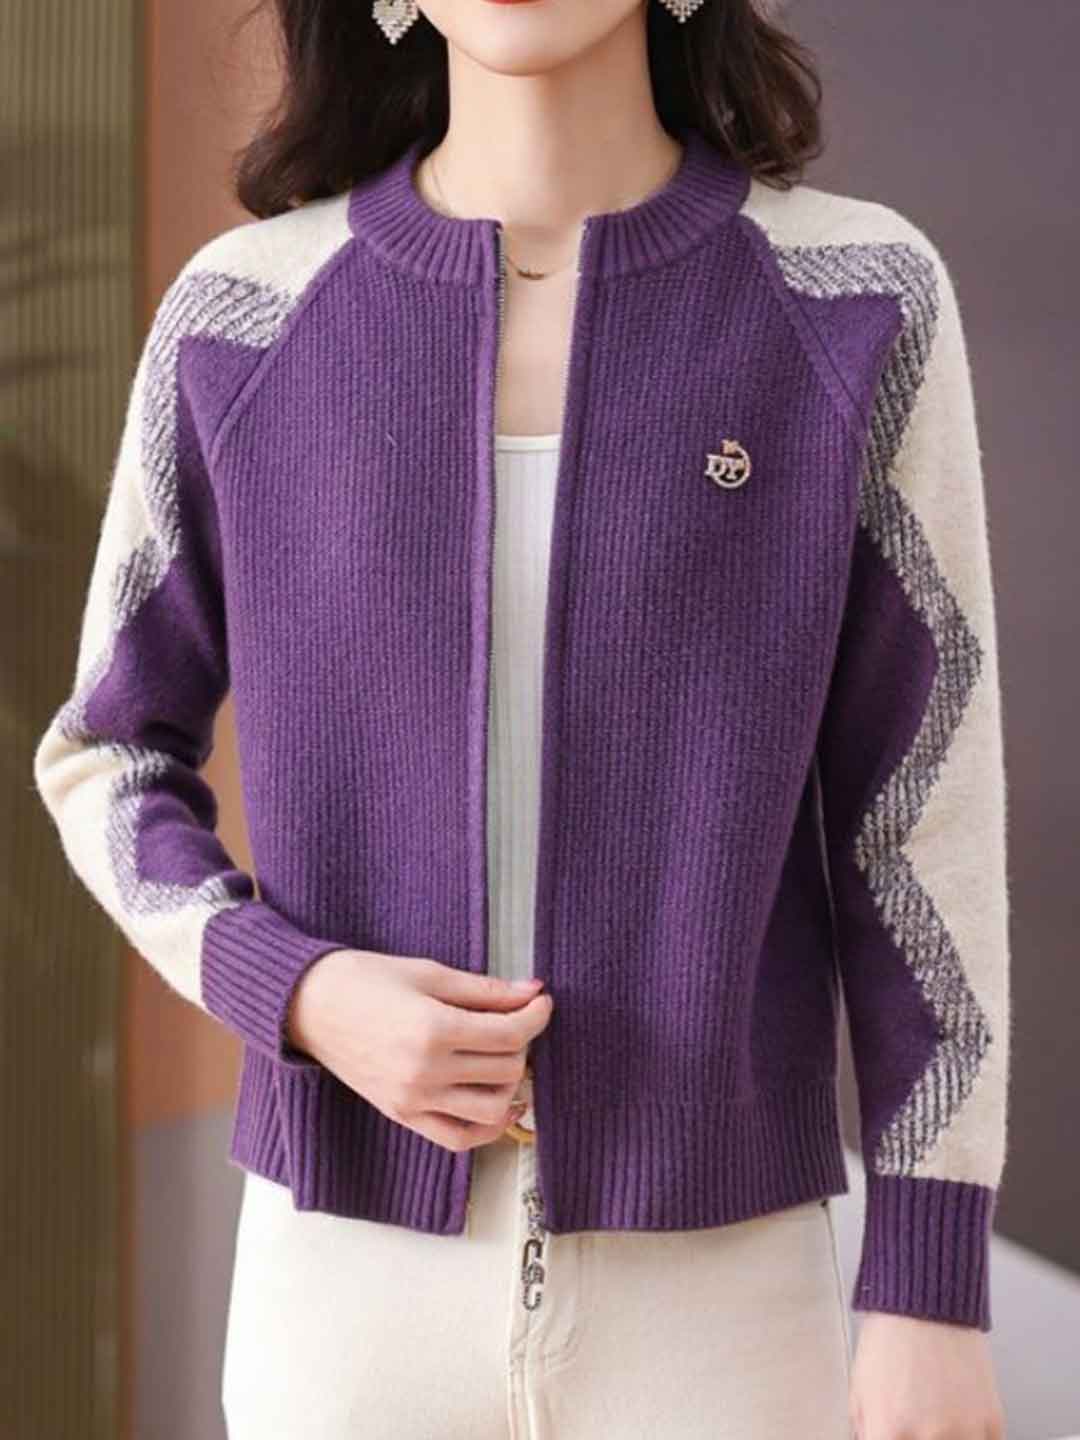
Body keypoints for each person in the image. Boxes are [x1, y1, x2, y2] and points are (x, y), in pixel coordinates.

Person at [31, 1, 1011, 1435]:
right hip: (344, 1298)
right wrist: (296, 991)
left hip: (726, 1308)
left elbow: (923, 819)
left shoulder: (855, 298)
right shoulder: (245, 312)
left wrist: (930, 1285)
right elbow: (107, 752)